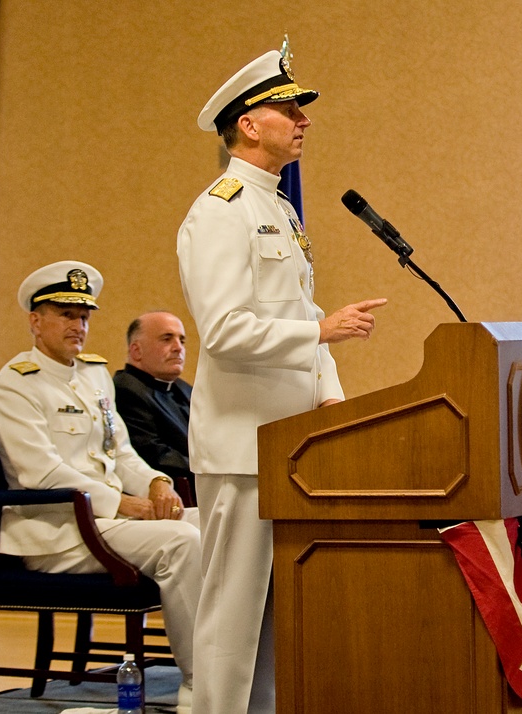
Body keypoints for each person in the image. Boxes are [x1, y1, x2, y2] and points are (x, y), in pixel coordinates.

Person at [178, 37, 387, 714]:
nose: (304, 119)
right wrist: (322, 333)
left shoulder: (280, 209)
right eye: (289, 108)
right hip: (242, 446)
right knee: (232, 616)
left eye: (301, 109)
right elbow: (227, 332)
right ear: (248, 123)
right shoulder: (221, 209)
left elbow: (299, 312)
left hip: (291, 442)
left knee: (275, 617)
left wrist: (332, 395)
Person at [0, 261, 199, 714]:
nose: (78, 325)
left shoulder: (93, 374)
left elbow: (119, 451)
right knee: (182, 542)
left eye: (83, 316)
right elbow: (40, 475)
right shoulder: (15, 386)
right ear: (35, 321)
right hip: (59, 528)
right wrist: (126, 504)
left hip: (107, 521)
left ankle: (244, 666)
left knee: (220, 524)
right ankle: (202, 684)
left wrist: (158, 483)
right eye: (65, 314)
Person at [113, 311, 194, 500]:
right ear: (136, 351)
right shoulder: (126, 389)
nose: (178, 348)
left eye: (182, 340)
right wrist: (209, 468)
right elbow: (154, 454)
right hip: (171, 492)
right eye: (167, 339)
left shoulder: (183, 388)